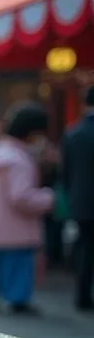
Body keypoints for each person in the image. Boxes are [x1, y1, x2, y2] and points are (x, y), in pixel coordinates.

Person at [0, 102, 55, 314]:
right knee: (18, 266)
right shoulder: (20, 160)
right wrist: (48, 198)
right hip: (18, 227)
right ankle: (17, 299)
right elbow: (21, 196)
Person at [62, 86, 94, 310]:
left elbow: (65, 173)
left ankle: (82, 295)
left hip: (81, 201)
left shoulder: (73, 133)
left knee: (84, 248)